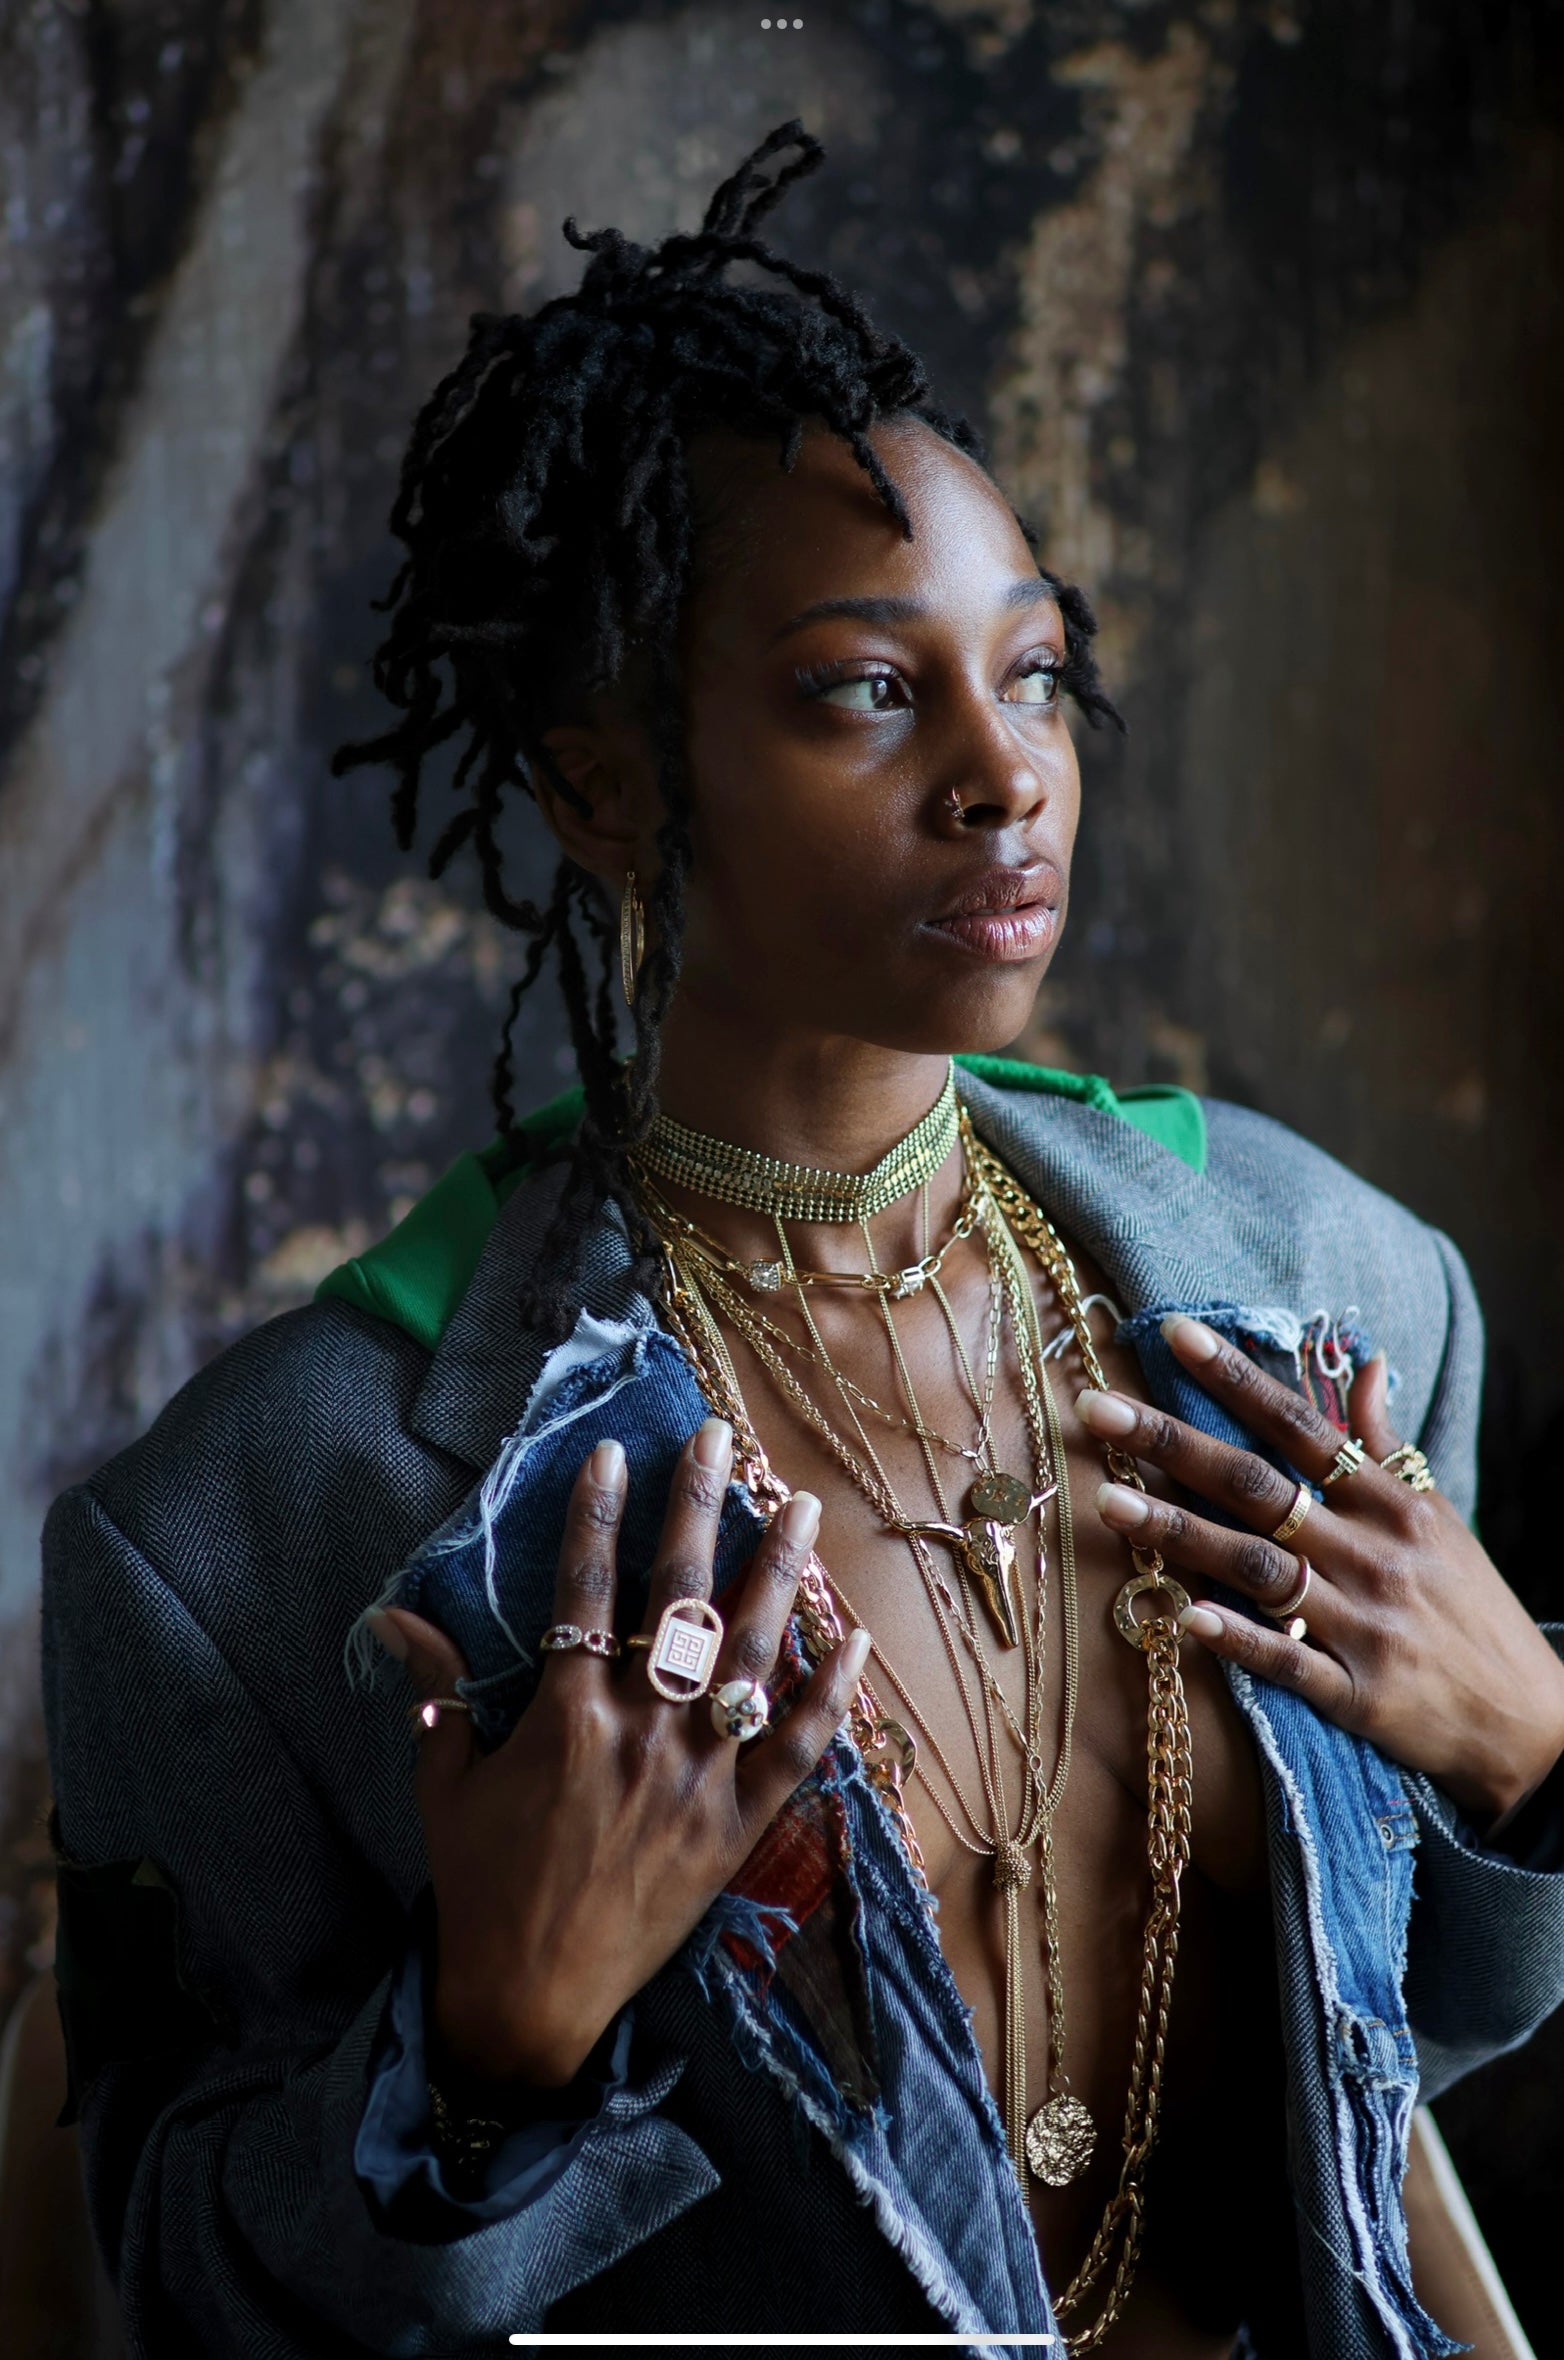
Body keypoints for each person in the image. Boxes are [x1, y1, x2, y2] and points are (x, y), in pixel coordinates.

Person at [40, 121, 1564, 2359]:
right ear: (599, 785)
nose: (1004, 769)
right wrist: (481, 2048)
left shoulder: (1332, 1291)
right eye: (869, 688)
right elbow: (155, 2286)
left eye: (1031, 672)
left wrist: (1531, 1744)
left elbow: (1369, 2091)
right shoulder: (263, 1537)